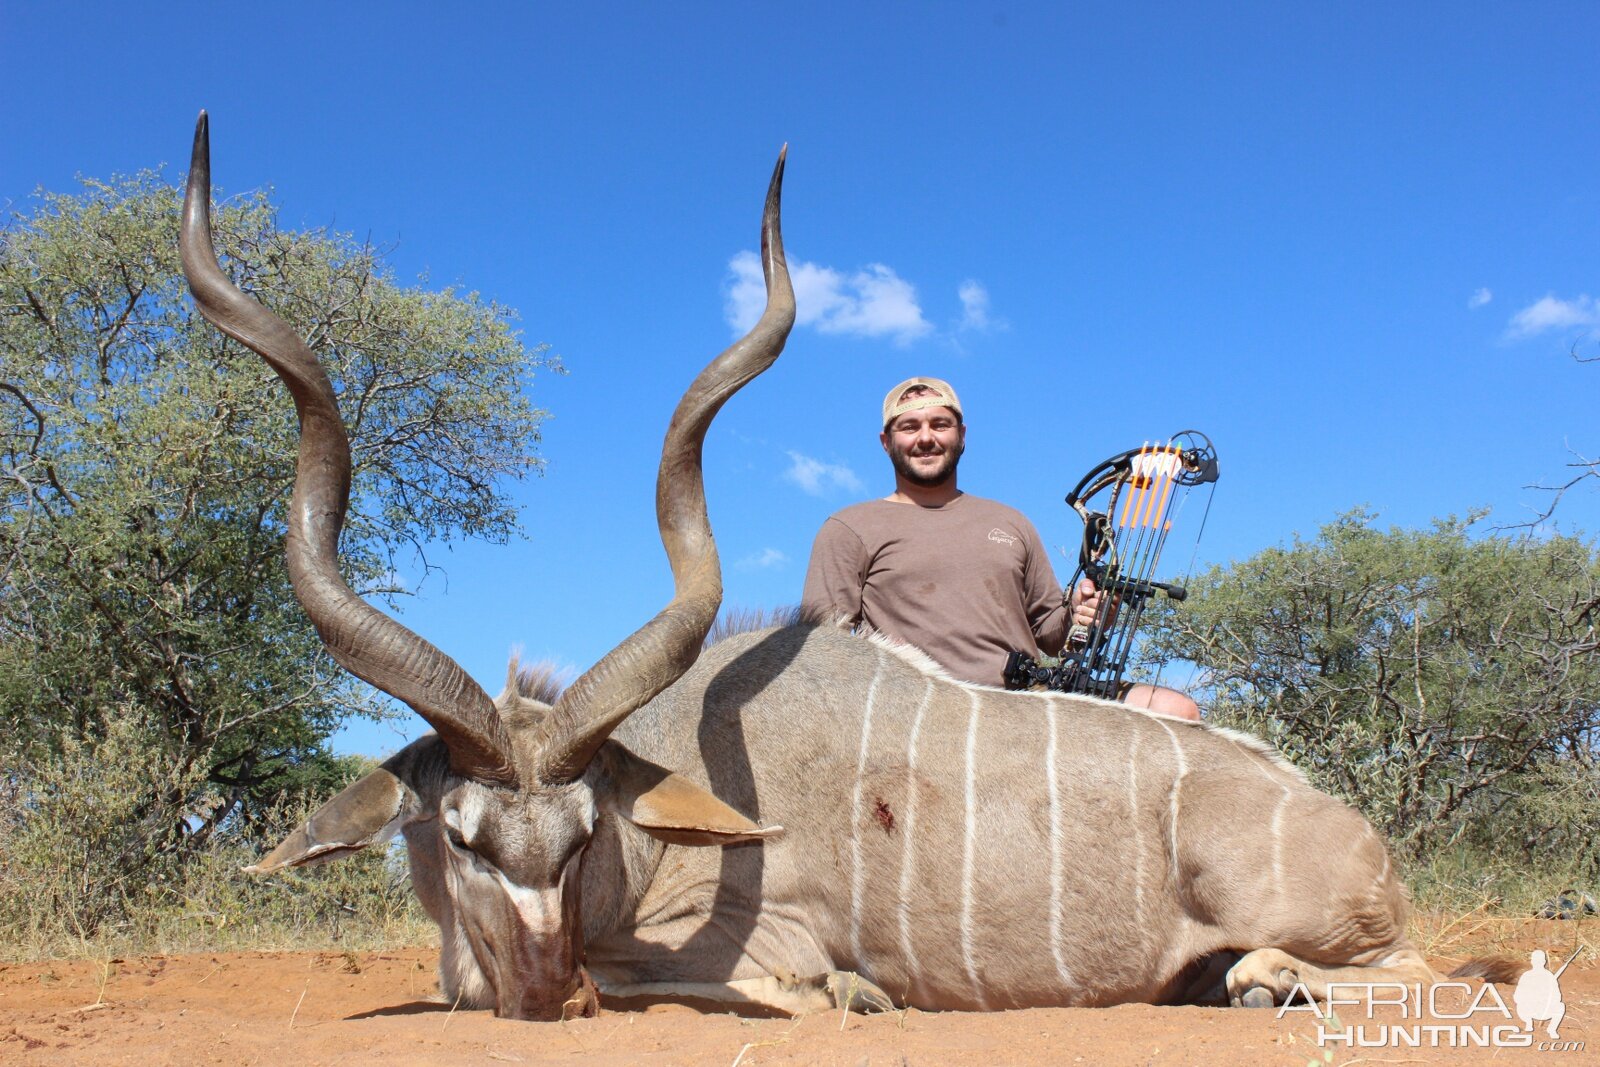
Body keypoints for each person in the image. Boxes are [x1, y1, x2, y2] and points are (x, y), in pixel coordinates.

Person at [800, 376, 1200, 720]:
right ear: (887, 442)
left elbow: (1051, 636)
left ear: (961, 436)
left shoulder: (1010, 522)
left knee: (1176, 711)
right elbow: (823, 649)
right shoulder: (849, 528)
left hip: (1025, 702)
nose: (926, 437)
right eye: (910, 427)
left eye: (940, 424)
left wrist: (1085, 614)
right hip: (920, 711)